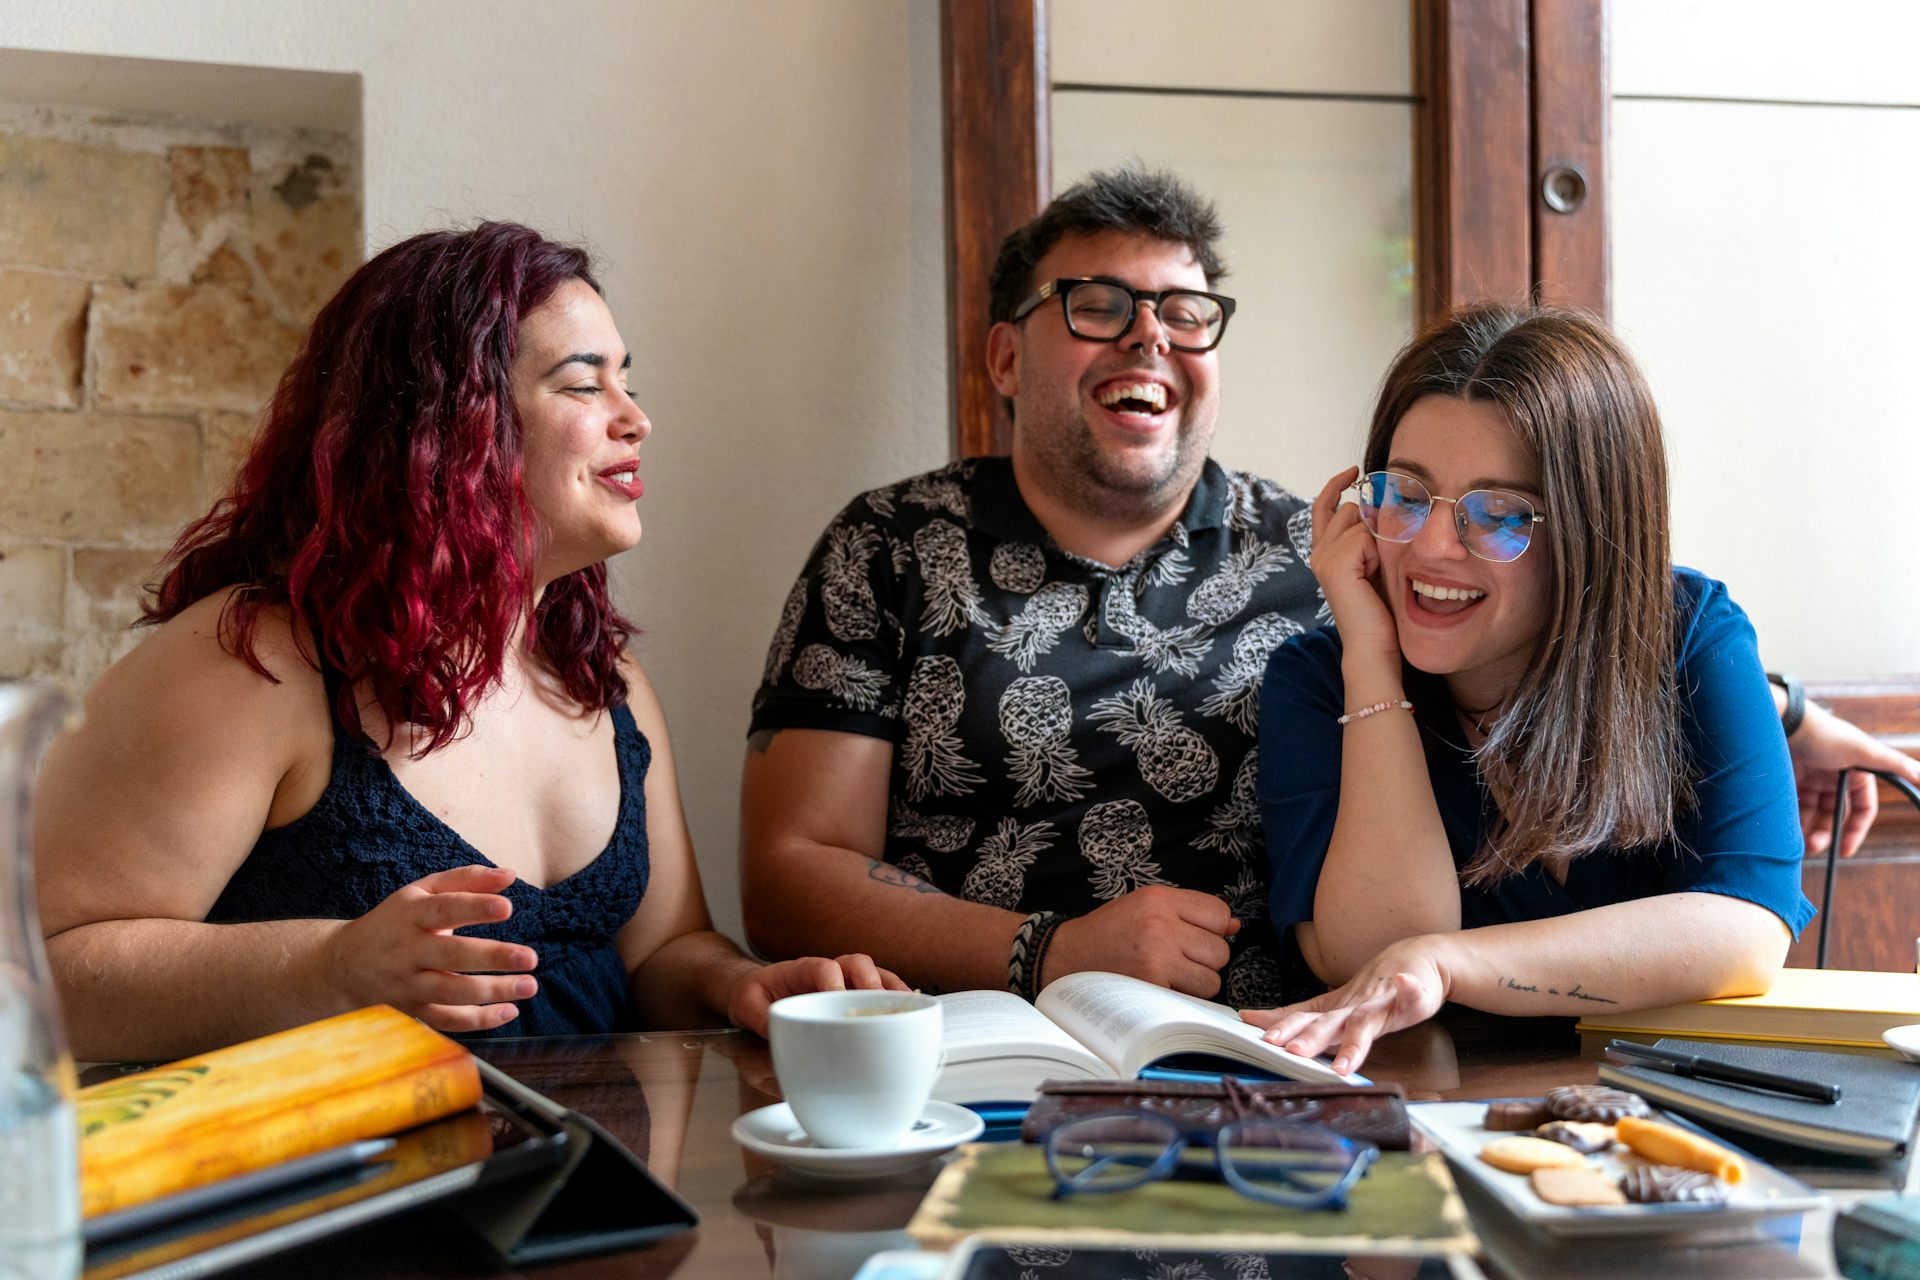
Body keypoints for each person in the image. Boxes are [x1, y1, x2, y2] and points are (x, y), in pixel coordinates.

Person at [741, 167, 1911, 1011]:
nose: (1147, 338)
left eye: (1184, 312)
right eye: (1098, 306)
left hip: (1288, 1049)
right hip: (983, 1036)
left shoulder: (1303, 551)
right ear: (1006, 356)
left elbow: (1577, 610)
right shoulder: (892, 547)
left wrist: (1791, 714)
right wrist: (1043, 949)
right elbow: (790, 879)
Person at [35, 223, 902, 1063]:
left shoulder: (608, 679)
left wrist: (742, 987)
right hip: (349, 1199)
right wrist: (328, 970)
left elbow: (661, 952)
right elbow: (42, 975)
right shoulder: (256, 661)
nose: (635, 419)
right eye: (582, 384)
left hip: (598, 1198)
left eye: (627, 381)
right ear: (453, 425)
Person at [1242, 305, 1918, 1075]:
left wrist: (1449, 964)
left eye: (1498, 514)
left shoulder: (1688, 632)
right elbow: (1374, 953)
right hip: (1413, 1105)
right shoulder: (1316, 680)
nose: (1430, 546)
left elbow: (1745, 929)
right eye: (1405, 493)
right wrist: (1368, 654)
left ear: (1591, 532)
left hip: (1656, 1111)